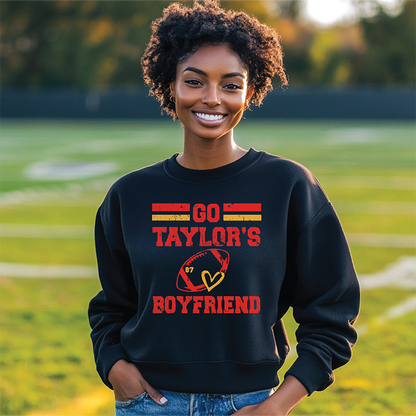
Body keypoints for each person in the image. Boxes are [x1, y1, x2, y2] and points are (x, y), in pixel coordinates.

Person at [88, 1, 360, 415]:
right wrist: (115, 368)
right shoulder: (130, 195)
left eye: (231, 85)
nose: (212, 98)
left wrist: (278, 404)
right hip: (149, 403)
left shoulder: (288, 186)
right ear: (170, 85)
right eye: (194, 81)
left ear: (250, 92)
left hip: (252, 404)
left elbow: (332, 311)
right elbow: (112, 307)